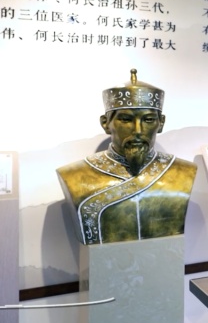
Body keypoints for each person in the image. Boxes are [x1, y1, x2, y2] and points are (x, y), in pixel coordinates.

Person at [56, 69, 197, 245]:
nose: (137, 131)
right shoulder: (74, 176)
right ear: (106, 123)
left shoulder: (184, 172)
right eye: (126, 119)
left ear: (161, 123)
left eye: (148, 120)